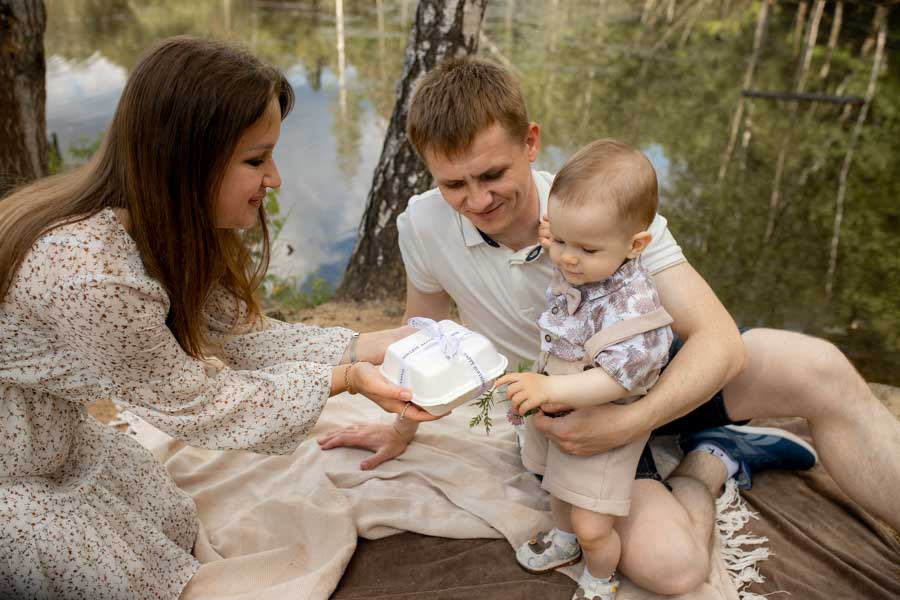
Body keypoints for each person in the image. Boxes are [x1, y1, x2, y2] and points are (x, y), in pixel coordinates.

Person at [319, 56, 900, 595]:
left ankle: (702, 432)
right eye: (453, 184)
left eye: (492, 173)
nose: (476, 199)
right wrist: (399, 430)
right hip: (571, 407)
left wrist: (635, 420)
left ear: (531, 142)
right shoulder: (421, 225)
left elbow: (720, 342)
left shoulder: (604, 204)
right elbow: (424, 334)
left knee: (819, 366)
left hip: (653, 376)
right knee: (675, 570)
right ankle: (713, 460)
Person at [0, 37, 435, 600]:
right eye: (256, 160)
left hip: (54, 440)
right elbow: (196, 402)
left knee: (174, 526)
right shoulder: (89, 273)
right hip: (12, 472)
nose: (274, 178)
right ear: (187, 160)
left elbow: (238, 337)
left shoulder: (156, 230)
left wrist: (369, 345)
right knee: (138, 582)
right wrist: (346, 380)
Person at [497, 139, 678, 600]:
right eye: (558, 240)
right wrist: (557, 238)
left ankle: (600, 578)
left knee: (593, 521)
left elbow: (617, 378)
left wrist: (546, 388)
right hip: (558, 408)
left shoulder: (635, 307)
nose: (566, 258)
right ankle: (564, 540)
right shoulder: (586, 260)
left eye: (585, 248)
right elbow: (569, 244)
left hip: (602, 421)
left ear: (636, 244)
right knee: (556, 487)